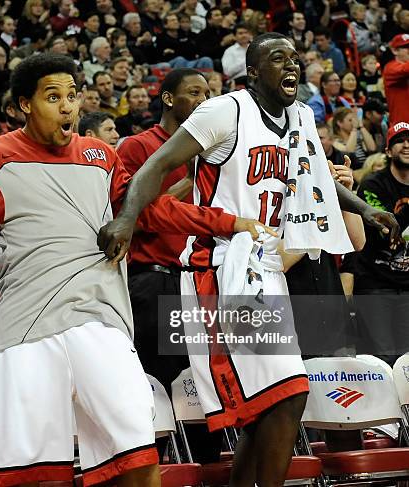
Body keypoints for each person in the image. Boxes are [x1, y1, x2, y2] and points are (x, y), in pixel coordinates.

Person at [0, 53, 259, 487]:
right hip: (28, 326)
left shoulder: (101, 155)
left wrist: (226, 222)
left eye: (72, 96)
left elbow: (148, 209)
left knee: (136, 452)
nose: (66, 106)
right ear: (24, 105)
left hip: (101, 320)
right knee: (22, 474)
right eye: (52, 96)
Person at [97, 33, 399, 487]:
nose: (292, 65)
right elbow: (155, 166)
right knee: (291, 394)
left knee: (266, 409)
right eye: (278, 59)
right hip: (218, 267)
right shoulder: (225, 110)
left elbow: (317, 178)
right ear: (253, 73)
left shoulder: (299, 117)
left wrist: (364, 208)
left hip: (264, 267)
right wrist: (125, 218)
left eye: (296, 58)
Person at [118, 67, 224, 465]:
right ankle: (158, 470)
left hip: (200, 282)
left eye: (208, 92)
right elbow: (135, 210)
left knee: (202, 388)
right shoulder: (139, 146)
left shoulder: (215, 148)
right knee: (160, 389)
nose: (204, 100)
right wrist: (191, 175)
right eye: (194, 92)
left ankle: (208, 470)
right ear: (167, 99)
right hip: (156, 280)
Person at [353, 121, 409, 365]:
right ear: (388, 150)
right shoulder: (373, 184)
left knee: (407, 359)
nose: (406, 145)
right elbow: (387, 229)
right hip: (376, 284)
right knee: (384, 358)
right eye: (399, 141)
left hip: (407, 285)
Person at [383, 34, 409, 126]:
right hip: (401, 127)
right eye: (406, 47)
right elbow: (405, 69)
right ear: (395, 51)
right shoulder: (390, 68)